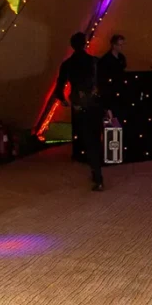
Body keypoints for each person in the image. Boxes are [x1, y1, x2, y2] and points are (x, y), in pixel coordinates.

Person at [53, 32, 105, 191]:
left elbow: (59, 89)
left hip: (79, 105)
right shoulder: (94, 62)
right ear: (85, 44)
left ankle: (95, 173)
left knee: (85, 138)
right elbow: (103, 84)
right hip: (95, 104)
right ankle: (97, 172)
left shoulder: (68, 64)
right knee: (95, 137)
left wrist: (63, 100)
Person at [98, 33, 127, 122]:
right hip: (110, 93)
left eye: (122, 45)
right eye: (119, 45)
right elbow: (102, 81)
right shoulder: (105, 60)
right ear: (114, 45)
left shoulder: (121, 58)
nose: (121, 47)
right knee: (111, 122)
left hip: (120, 92)